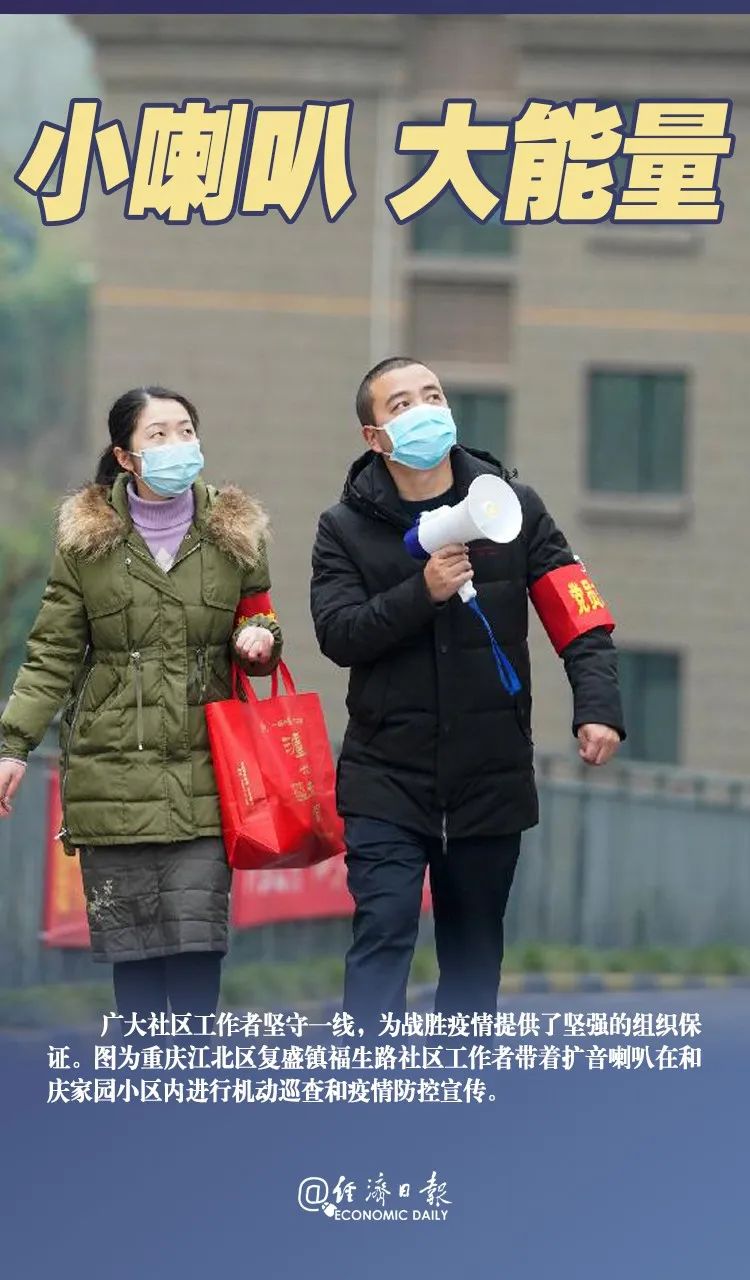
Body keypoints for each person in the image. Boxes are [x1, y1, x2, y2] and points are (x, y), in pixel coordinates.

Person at [310, 356, 625, 1037]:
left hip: (490, 773)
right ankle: (369, 1078)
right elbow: (338, 634)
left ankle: (460, 1083)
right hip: (386, 776)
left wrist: (598, 707)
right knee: (384, 927)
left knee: (475, 952)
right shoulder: (344, 527)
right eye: (401, 404)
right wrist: (420, 593)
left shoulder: (514, 506)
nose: (423, 410)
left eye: (432, 395)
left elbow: (580, 614)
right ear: (374, 437)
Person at [0, 385, 282, 1028]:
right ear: (125, 456)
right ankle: (144, 1083)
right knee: (135, 961)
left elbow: (259, 619)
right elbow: (52, 652)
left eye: (186, 430)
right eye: (159, 435)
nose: (178, 445)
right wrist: (13, 745)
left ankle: (191, 1085)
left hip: (205, 770)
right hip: (112, 773)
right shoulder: (87, 542)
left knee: (197, 946)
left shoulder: (234, 531)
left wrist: (260, 641)